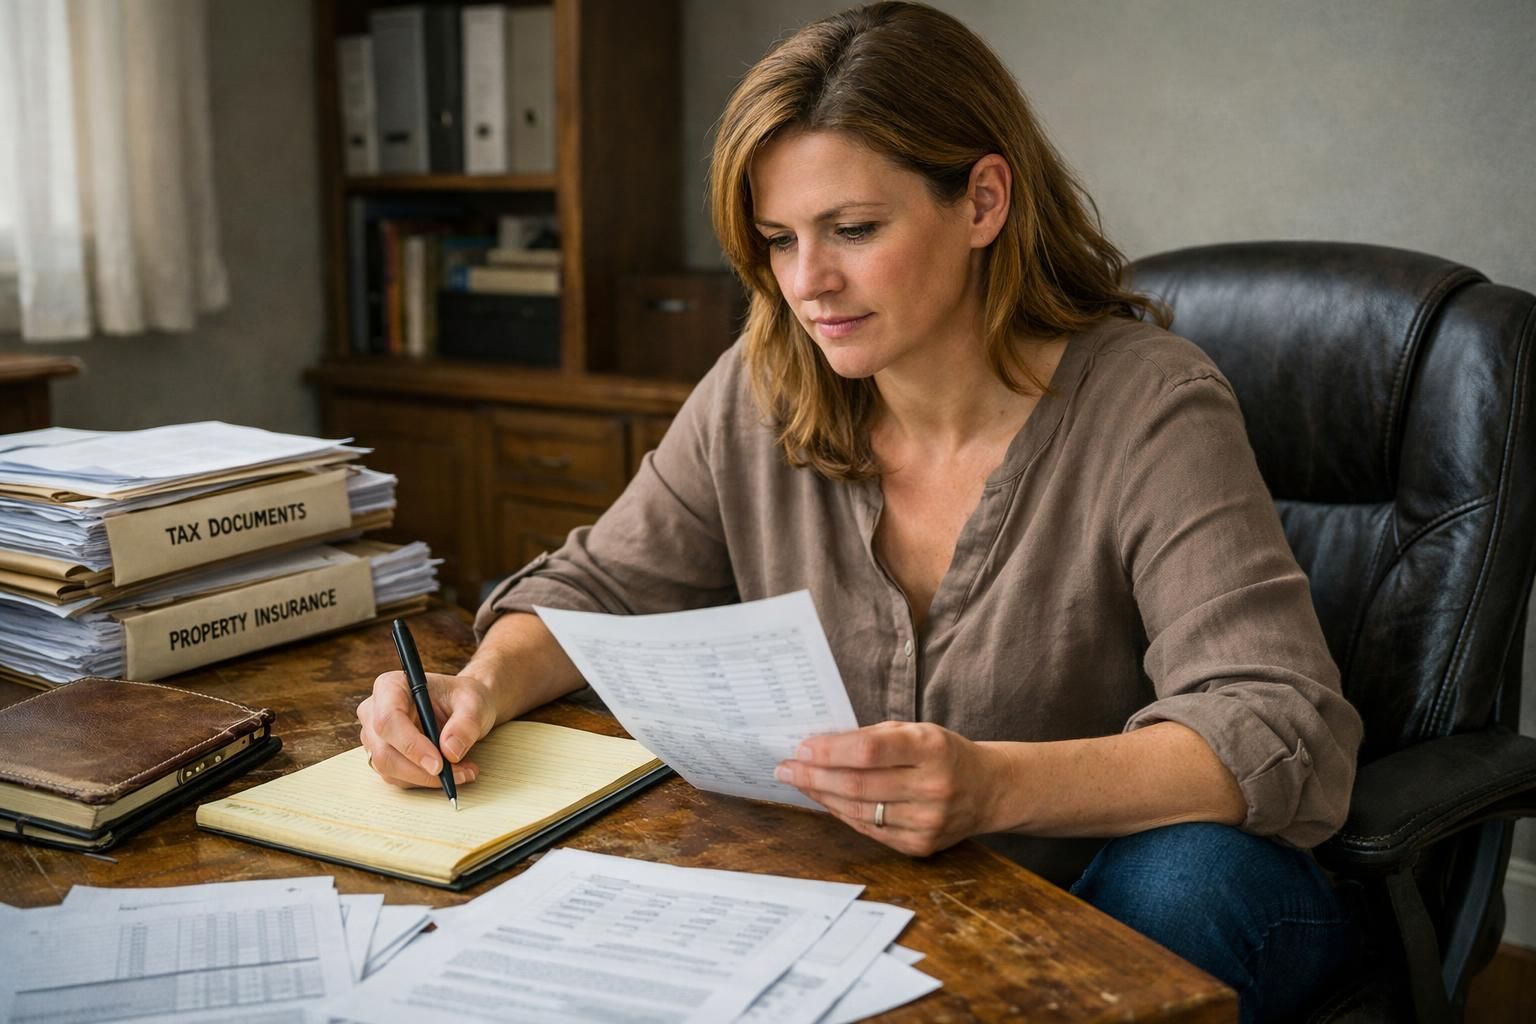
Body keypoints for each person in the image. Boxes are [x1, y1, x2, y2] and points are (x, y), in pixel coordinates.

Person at [358, 3, 1363, 1019]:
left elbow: (1273, 723)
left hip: (1104, 885)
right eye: (779, 238)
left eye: (853, 230)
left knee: (1187, 882)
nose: (807, 283)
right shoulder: (763, 383)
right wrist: (477, 686)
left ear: (982, 201)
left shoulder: (1151, 405)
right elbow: (599, 587)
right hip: (860, 902)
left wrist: (993, 785)